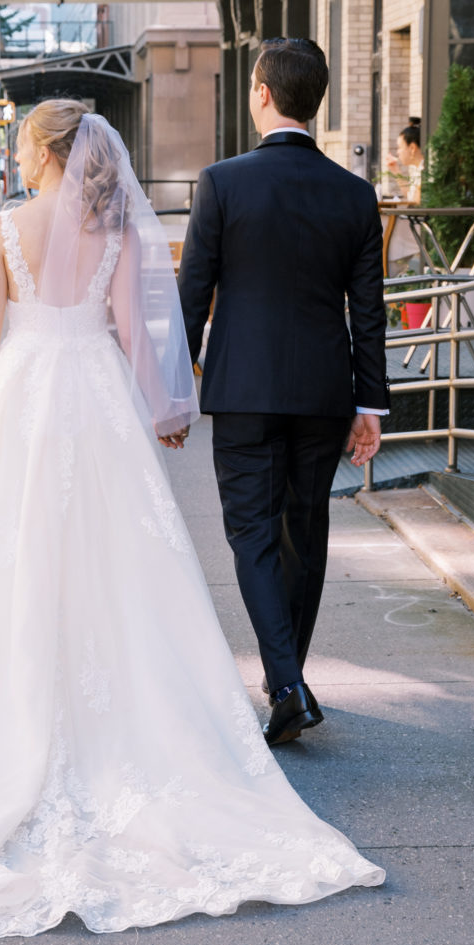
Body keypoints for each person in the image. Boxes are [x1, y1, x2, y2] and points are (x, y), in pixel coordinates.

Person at [0, 98, 384, 937]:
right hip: (93, 396)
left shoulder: (2, 229)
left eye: (23, 148)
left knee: (17, 561)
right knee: (119, 564)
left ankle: (11, 732)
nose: (19, 161)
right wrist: (166, 408)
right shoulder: (121, 233)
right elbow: (138, 330)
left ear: (47, 151)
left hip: (25, 396)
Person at [177, 39, 390, 749]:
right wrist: (371, 405)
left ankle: (289, 684)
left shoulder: (222, 181)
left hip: (242, 389)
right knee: (307, 534)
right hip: (325, 392)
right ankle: (286, 682)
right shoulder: (355, 194)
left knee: (253, 536)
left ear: (263, 93)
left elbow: (193, 294)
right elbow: (369, 309)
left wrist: (175, 388)